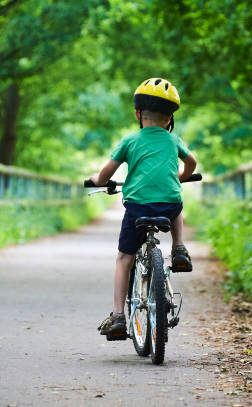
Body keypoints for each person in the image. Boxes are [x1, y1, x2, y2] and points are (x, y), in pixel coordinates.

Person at [89, 78, 197, 338]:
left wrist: (97, 181)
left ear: (138, 114)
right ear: (170, 117)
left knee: (124, 258)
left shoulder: (130, 141)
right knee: (175, 201)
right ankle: (178, 247)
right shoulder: (174, 141)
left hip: (137, 208)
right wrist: (179, 177)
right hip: (169, 206)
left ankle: (117, 317)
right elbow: (191, 163)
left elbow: (106, 175)